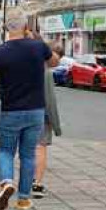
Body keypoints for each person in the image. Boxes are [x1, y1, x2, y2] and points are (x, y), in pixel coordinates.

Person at [0, 9, 58, 210]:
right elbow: (55, 62)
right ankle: (23, 198)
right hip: (35, 111)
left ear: (6, 28)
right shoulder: (38, 48)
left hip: (10, 110)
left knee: (6, 151)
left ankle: (7, 181)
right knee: (28, 155)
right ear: (25, 27)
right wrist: (36, 39)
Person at [34, 40, 64, 198]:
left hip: (22, 111)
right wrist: (57, 126)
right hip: (41, 115)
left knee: (26, 150)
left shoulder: (31, 66)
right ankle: (36, 184)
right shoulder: (46, 72)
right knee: (40, 148)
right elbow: (50, 102)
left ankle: (20, 182)